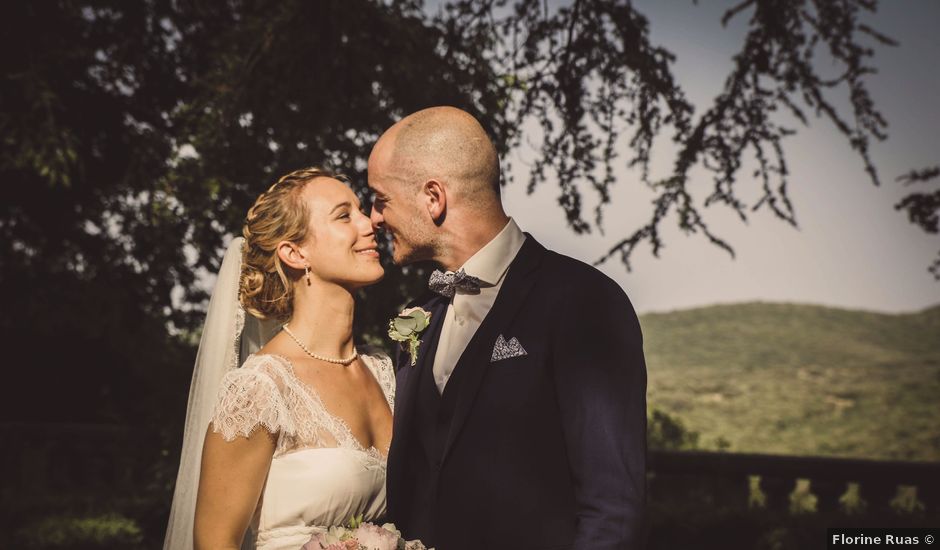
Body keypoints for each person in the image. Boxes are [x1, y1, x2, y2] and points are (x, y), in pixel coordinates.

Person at [369, 106, 648, 550]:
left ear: (433, 197)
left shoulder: (582, 302)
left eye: (380, 199)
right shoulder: (419, 316)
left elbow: (611, 510)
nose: (374, 219)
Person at [163, 167, 397, 550]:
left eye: (361, 209)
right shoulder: (260, 388)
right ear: (294, 252)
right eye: (344, 215)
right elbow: (215, 543)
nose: (370, 222)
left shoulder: (385, 372)